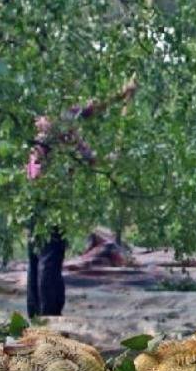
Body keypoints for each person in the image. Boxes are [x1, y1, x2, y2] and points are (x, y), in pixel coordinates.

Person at [26, 79, 137, 317]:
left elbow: (90, 110)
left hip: (33, 197)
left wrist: (121, 94)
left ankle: (36, 315)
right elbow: (89, 142)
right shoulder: (60, 126)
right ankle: (48, 317)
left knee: (37, 257)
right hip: (50, 198)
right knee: (49, 257)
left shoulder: (47, 122)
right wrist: (107, 159)